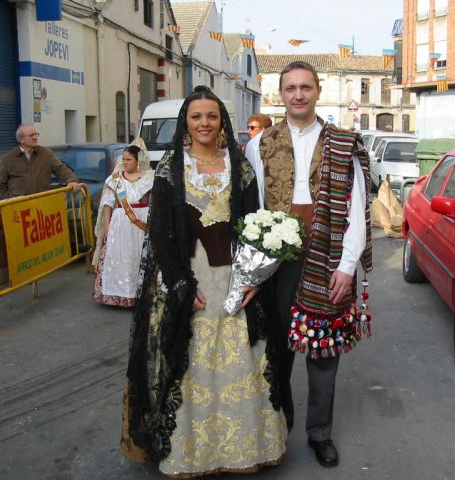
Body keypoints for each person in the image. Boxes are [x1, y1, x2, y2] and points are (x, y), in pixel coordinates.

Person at [120, 86, 287, 478]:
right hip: (190, 276)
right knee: (190, 361)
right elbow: (160, 231)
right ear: (186, 122)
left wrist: (254, 277)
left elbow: (252, 223)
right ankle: (190, 453)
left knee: (244, 359)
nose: (204, 123)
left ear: (221, 121)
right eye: (197, 116)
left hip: (235, 276)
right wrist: (180, 282)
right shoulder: (170, 167)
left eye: (211, 116)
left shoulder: (239, 165)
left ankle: (245, 447)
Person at [244, 61, 373, 468]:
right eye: (290, 88)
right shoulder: (258, 143)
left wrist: (348, 266)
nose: (298, 95)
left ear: (318, 91)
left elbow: (357, 208)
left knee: (323, 353)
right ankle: (277, 433)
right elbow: (255, 206)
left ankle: (319, 434)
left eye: (305, 87)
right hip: (277, 264)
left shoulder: (343, 142)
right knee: (277, 352)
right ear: (279, 94)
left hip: (327, 259)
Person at [92, 139, 154, 307]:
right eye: (123, 159)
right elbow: (107, 205)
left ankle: (140, 294)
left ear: (138, 161)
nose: (124, 162)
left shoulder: (150, 179)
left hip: (141, 223)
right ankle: (120, 294)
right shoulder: (115, 180)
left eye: (128, 159)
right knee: (121, 257)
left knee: (139, 257)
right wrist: (107, 228)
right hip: (120, 223)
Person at [0, 124, 81, 200]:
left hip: (42, 204)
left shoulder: (46, 153)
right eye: (31, 135)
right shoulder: (8, 158)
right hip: (18, 207)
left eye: (36, 134)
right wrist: (8, 199)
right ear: (21, 139)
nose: (35, 137)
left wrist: (72, 180)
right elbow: (0, 184)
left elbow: (61, 169)